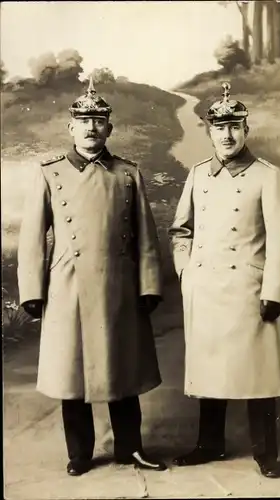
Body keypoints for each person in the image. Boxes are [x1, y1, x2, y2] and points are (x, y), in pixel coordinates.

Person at [17, 78, 166, 476]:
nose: (90, 127)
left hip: (119, 283)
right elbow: (32, 238)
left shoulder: (128, 173)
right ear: (70, 127)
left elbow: (147, 237)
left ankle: (130, 448)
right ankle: (80, 453)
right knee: (73, 372)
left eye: (98, 120)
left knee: (124, 370)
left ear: (109, 128)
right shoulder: (49, 173)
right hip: (68, 285)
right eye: (83, 120)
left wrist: (149, 283)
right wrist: (33, 290)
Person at [169, 82, 280, 478]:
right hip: (205, 290)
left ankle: (266, 453)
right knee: (210, 372)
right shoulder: (197, 176)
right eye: (219, 128)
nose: (227, 135)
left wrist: (274, 292)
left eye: (235, 127)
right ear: (209, 132)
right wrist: (187, 271)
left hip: (249, 291)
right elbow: (180, 230)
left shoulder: (267, 176)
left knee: (258, 374)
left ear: (246, 130)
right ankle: (209, 445)